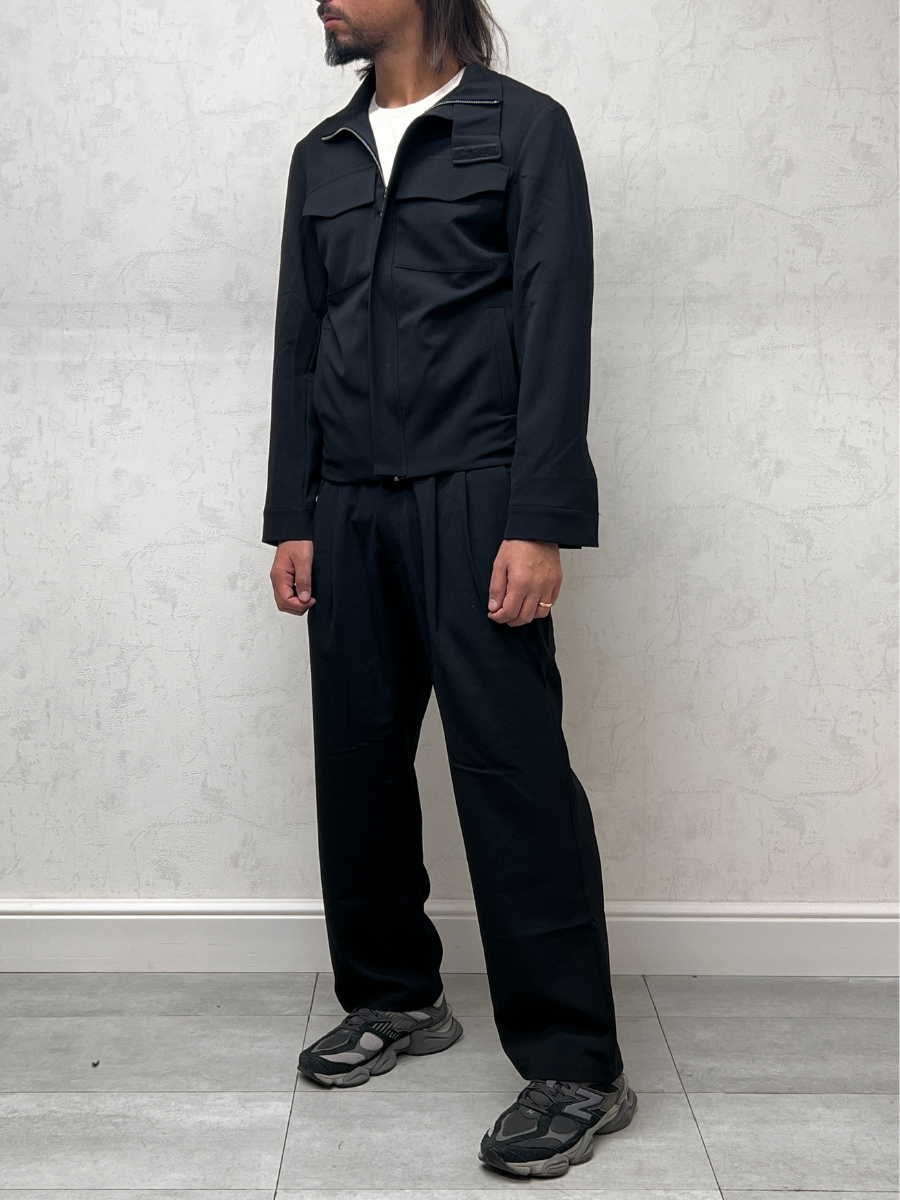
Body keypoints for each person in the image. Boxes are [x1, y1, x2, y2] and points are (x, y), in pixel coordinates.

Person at [262, 0, 637, 1179]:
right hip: (346, 504)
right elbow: (300, 340)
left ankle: (576, 1063)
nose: (320, 0)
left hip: (478, 494)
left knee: (512, 770)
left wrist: (539, 518)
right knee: (359, 760)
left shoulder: (523, 131)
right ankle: (394, 996)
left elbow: (556, 322)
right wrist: (293, 514)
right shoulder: (321, 156)